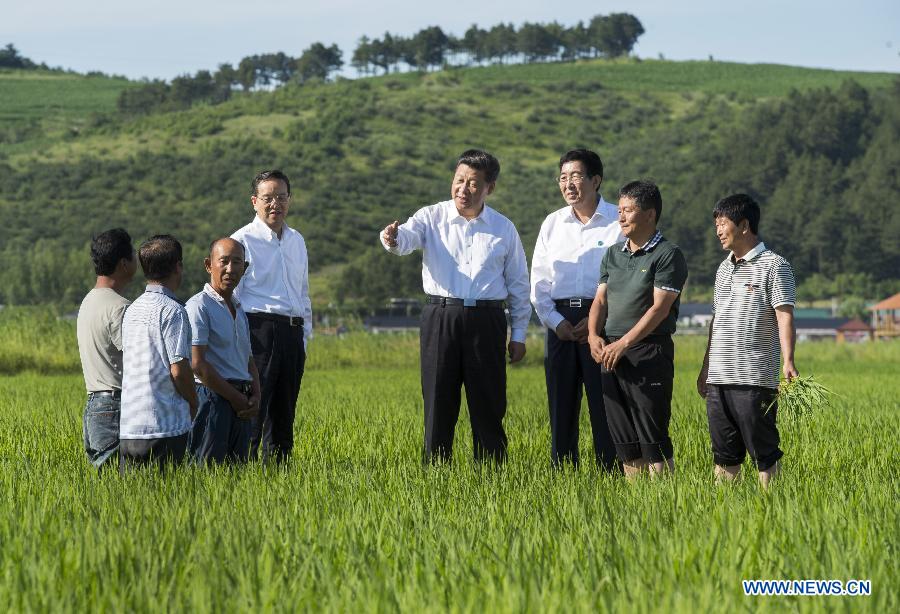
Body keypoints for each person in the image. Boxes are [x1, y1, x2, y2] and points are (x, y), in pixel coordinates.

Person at [380, 149, 531, 464]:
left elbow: (518, 285)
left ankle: (491, 475)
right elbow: (405, 238)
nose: (464, 189)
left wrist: (518, 334)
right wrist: (392, 239)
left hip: (488, 320)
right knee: (438, 400)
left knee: (488, 403)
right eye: (459, 180)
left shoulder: (504, 228)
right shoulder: (431, 217)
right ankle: (436, 474)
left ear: (489, 188)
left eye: (474, 183)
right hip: (441, 317)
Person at [587, 180, 688, 478]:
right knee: (626, 442)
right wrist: (594, 335)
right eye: (619, 210)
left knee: (652, 436)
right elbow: (600, 300)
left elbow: (660, 308)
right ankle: (639, 507)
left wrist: (625, 344)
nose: (621, 217)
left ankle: (665, 504)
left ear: (649, 214)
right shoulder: (613, 254)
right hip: (611, 351)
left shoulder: (668, 254)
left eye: (629, 210)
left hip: (647, 351)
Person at [697, 194, 797, 487]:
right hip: (719, 378)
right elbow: (717, 322)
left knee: (764, 454)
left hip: (754, 379)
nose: (717, 231)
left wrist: (788, 361)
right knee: (724, 456)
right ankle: (723, 518)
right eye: (716, 224)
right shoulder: (723, 268)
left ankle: (773, 511)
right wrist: (706, 368)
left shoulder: (775, 265)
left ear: (744, 225)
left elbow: (785, 316)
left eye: (722, 223)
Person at [530, 149, 621, 470]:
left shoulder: (617, 221)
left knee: (605, 404)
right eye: (563, 177)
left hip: (603, 325)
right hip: (560, 325)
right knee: (561, 406)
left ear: (596, 180)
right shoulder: (552, 223)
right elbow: (539, 282)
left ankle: (609, 473)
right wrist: (556, 323)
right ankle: (564, 472)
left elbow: (624, 277)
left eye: (576, 176)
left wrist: (598, 320)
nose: (569, 184)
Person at [232, 170, 312, 462]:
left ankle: (277, 479)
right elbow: (233, 298)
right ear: (254, 201)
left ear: (289, 200)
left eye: (281, 197)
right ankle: (245, 478)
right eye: (267, 198)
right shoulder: (241, 240)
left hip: (292, 333)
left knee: (284, 417)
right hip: (259, 333)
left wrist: (304, 337)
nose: (275, 204)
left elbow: (302, 293)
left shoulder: (297, 241)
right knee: (254, 412)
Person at [119, 235, 198, 471]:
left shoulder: (132, 310)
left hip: (130, 426)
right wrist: (194, 402)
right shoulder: (174, 311)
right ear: (178, 267)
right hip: (164, 426)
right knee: (167, 502)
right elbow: (178, 370)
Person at [186, 238, 262, 464]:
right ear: (209, 265)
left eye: (237, 262)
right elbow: (198, 365)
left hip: (241, 400)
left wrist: (256, 395)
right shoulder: (198, 306)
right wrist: (235, 397)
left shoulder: (240, 309)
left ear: (245, 268)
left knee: (237, 478)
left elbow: (248, 361)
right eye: (224, 261)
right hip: (212, 399)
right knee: (207, 474)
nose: (230, 269)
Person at [76, 228, 137, 470]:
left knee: (107, 487)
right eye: (133, 253)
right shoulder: (120, 308)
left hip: (95, 404)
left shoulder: (89, 300)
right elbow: (136, 359)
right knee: (124, 486)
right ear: (123, 263)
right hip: (116, 405)